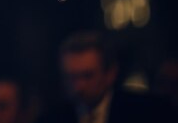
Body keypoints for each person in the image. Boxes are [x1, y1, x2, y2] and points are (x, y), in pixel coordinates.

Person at [37, 30, 175, 123]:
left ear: (111, 73)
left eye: (87, 76)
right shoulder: (51, 119)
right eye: (71, 77)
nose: (79, 86)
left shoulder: (148, 112)